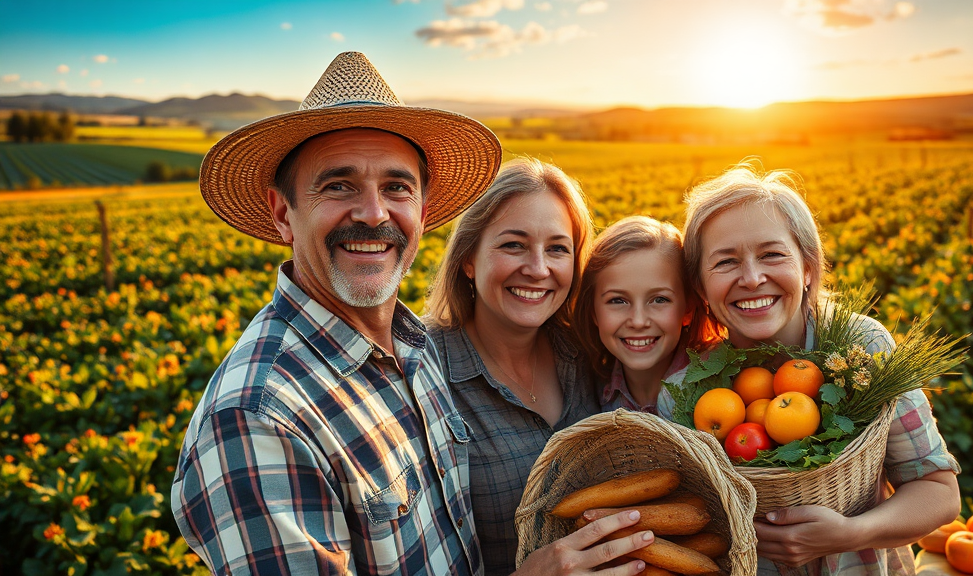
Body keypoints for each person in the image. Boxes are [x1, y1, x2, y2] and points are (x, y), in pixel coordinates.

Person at [171, 52, 511, 575]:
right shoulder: (256, 418)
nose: (374, 213)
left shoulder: (416, 345)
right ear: (284, 214)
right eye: (338, 186)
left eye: (397, 187)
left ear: (422, 210)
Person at [680, 163, 962, 575]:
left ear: (808, 267)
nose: (753, 278)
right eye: (725, 262)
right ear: (702, 288)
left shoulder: (864, 348)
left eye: (772, 254)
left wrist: (852, 532)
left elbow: (939, 491)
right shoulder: (692, 386)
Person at [425, 158, 654, 576]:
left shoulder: (589, 349)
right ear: (468, 259)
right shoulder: (422, 372)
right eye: (513, 245)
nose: (538, 268)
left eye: (557, 248)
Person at [573, 215, 719, 419]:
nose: (639, 321)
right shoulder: (585, 394)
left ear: (688, 309)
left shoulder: (720, 383)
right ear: (593, 312)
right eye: (617, 301)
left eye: (659, 300)